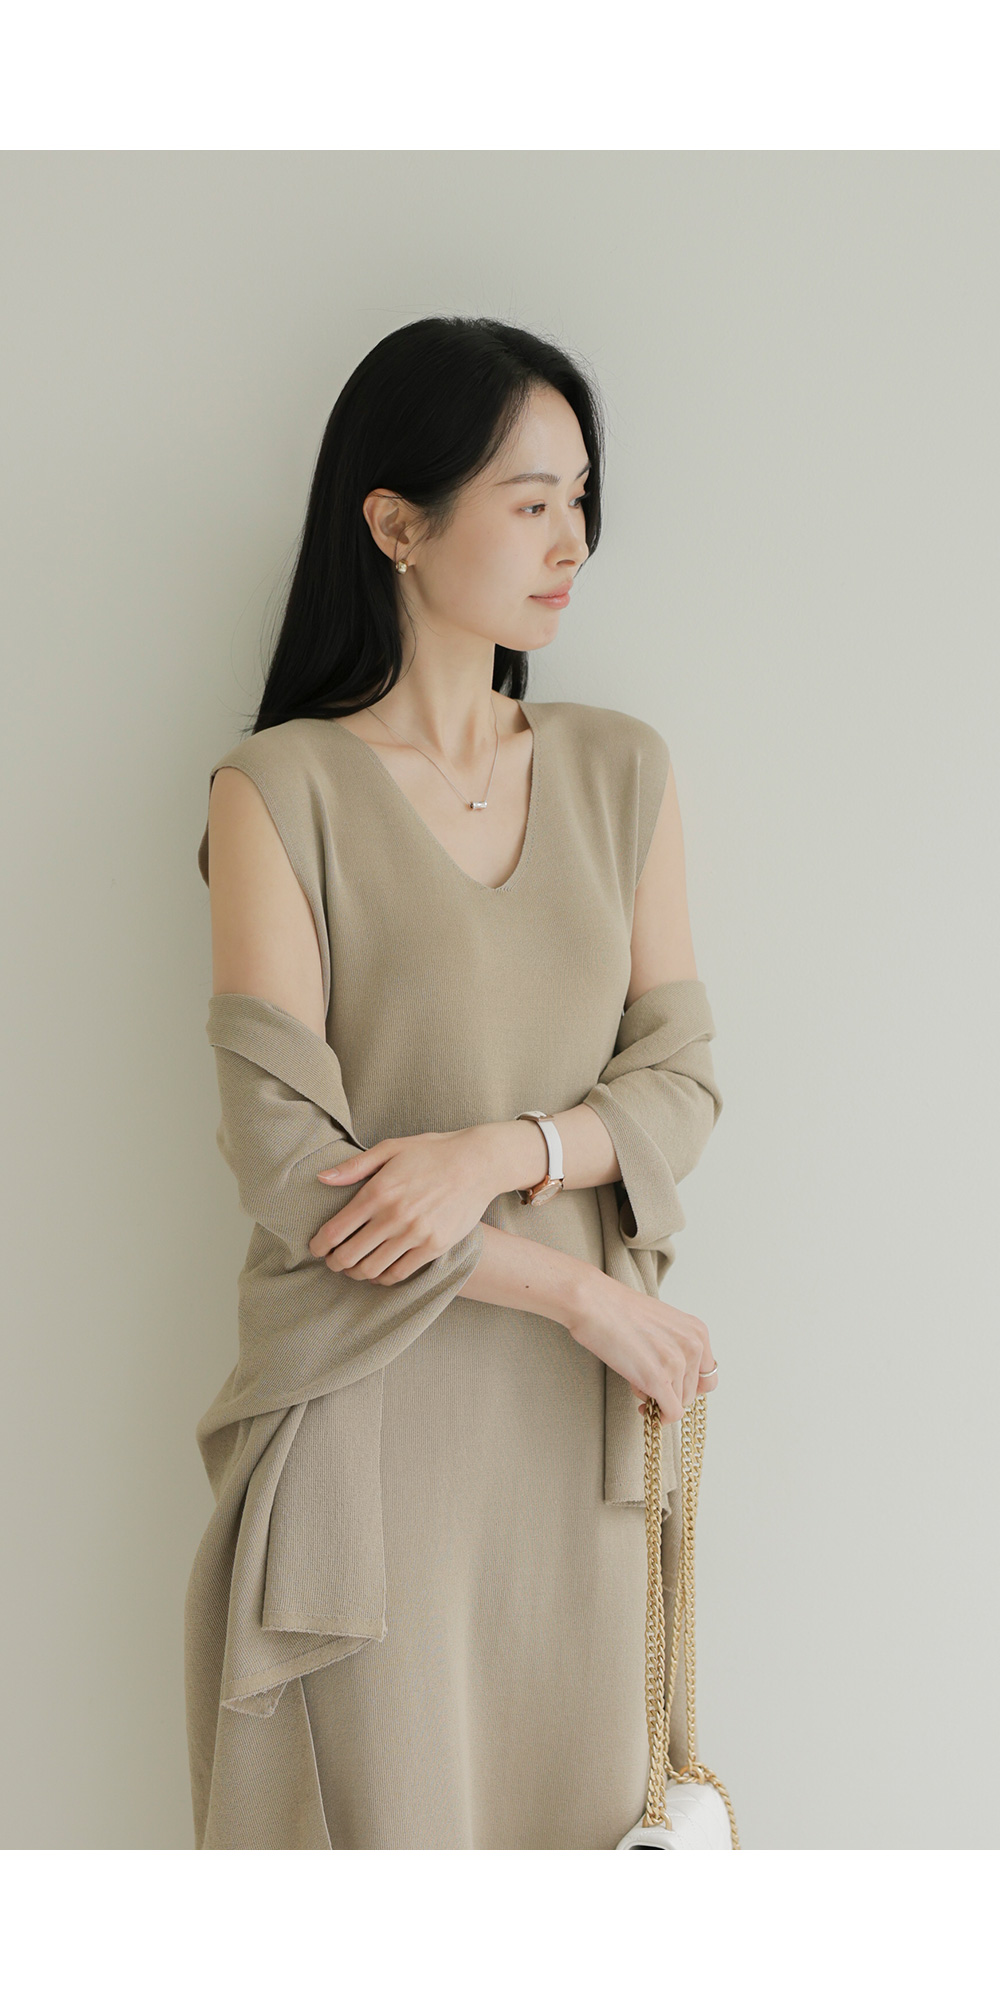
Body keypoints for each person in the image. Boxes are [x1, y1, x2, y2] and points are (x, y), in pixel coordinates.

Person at [185, 314, 723, 1849]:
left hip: (577, 1435)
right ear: (397, 524)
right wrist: (577, 1293)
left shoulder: (622, 771)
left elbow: (680, 1080)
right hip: (371, 1407)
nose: (573, 543)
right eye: (530, 500)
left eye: (580, 500)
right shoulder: (278, 789)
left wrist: (501, 1152)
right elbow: (289, 1161)